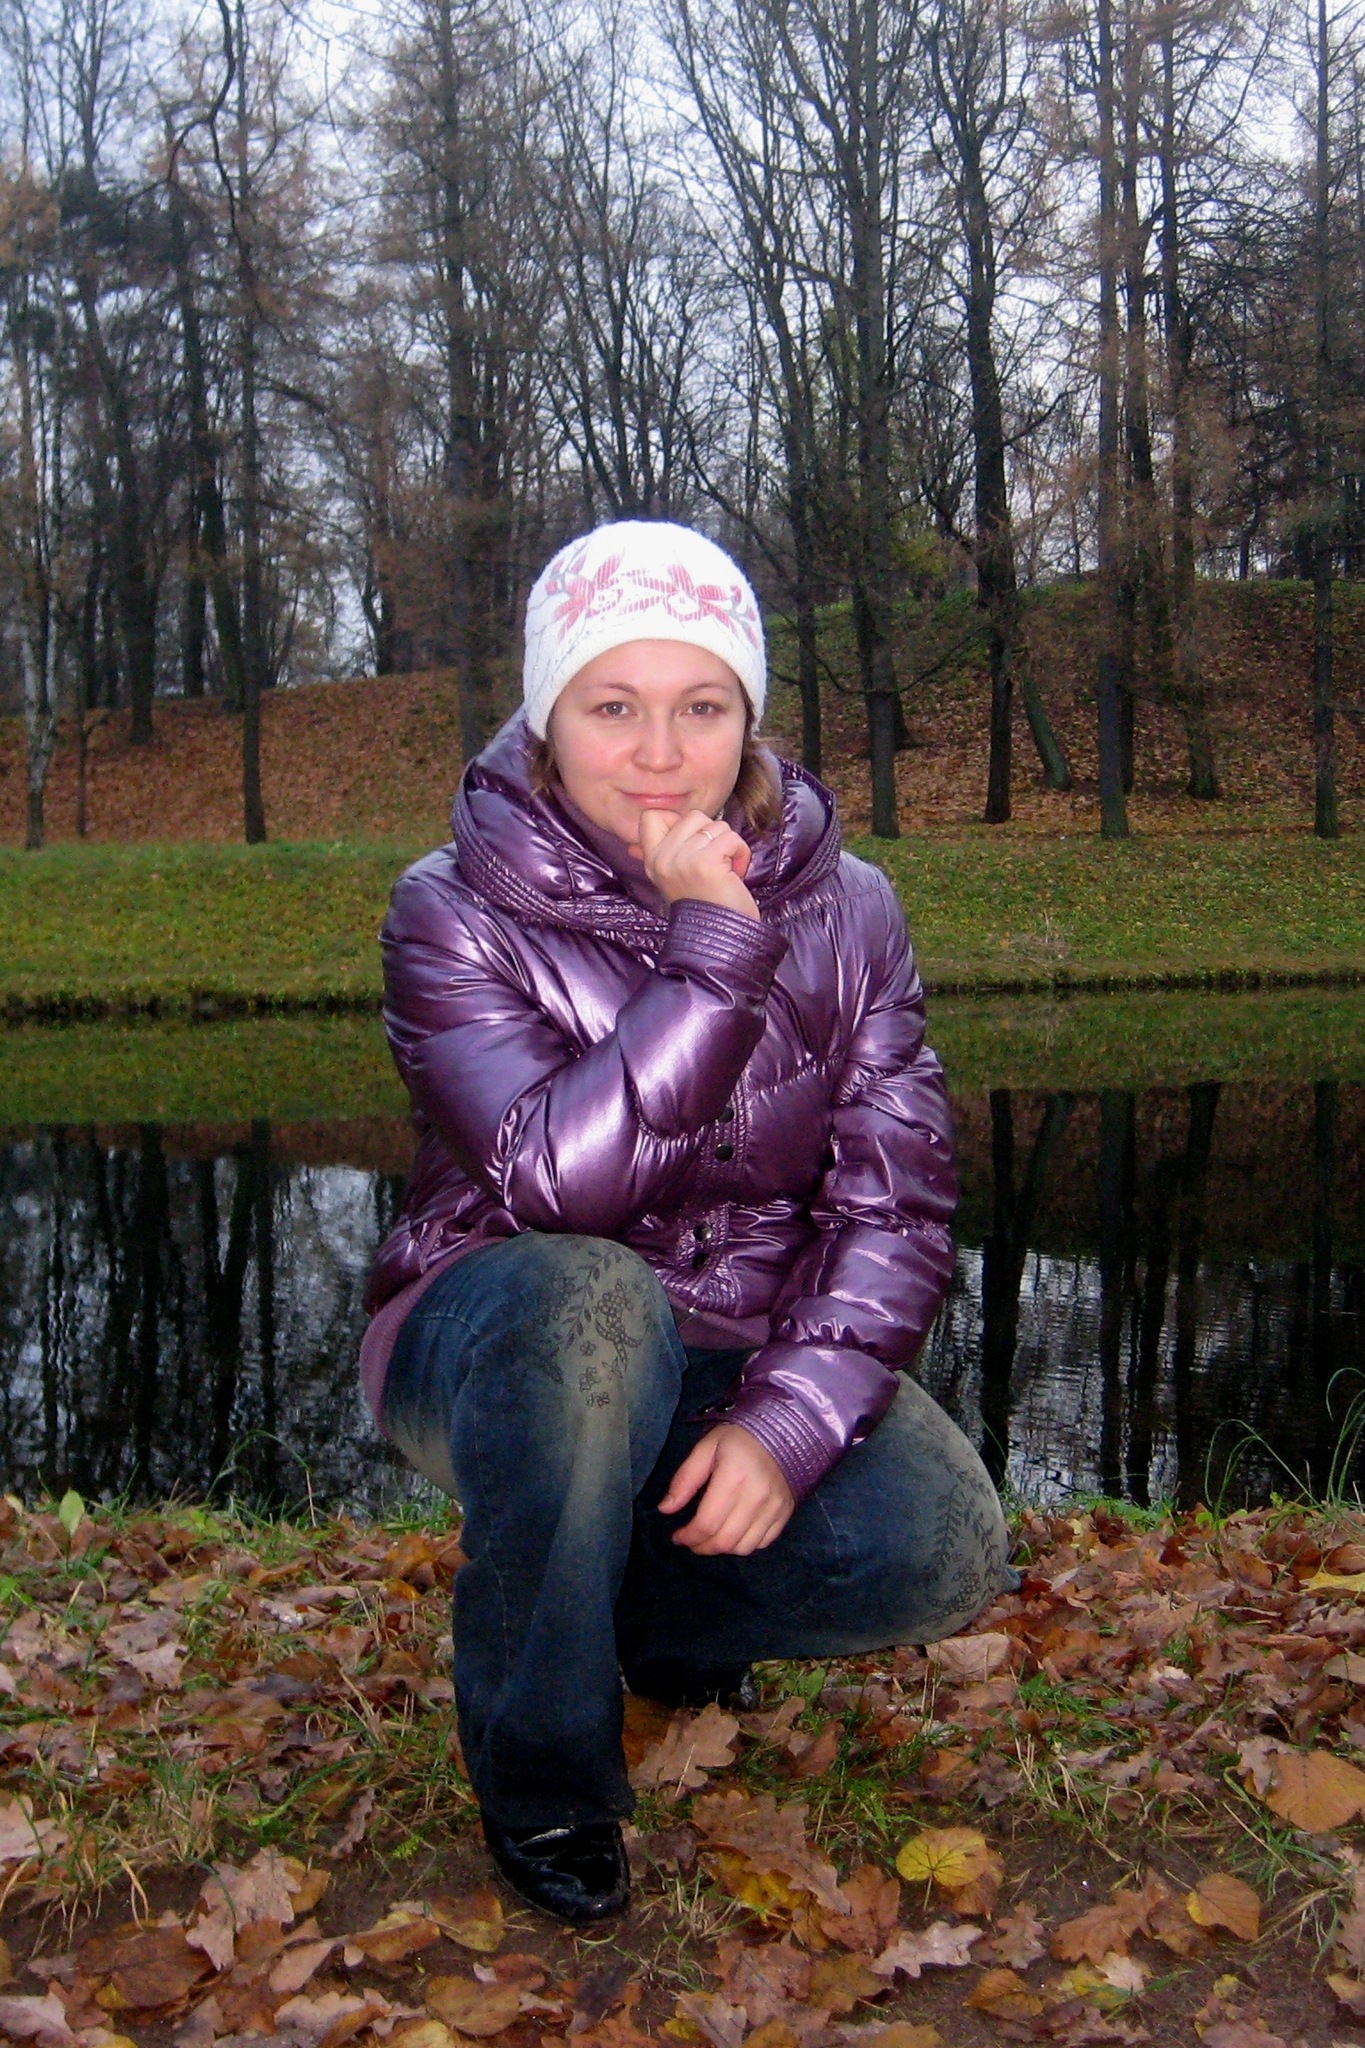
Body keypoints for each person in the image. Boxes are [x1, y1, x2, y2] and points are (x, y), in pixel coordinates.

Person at [359, 519, 1011, 1926]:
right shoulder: (448, 910)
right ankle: (543, 1774)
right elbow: (556, 1189)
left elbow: (892, 1202)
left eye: (701, 707)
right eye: (613, 707)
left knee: (940, 1547)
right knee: (591, 1302)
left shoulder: (852, 907)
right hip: (497, 1328)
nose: (660, 754)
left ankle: (631, 1606)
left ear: (748, 718)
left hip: (737, 1343)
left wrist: (784, 1422)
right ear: (549, 717)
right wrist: (712, 946)